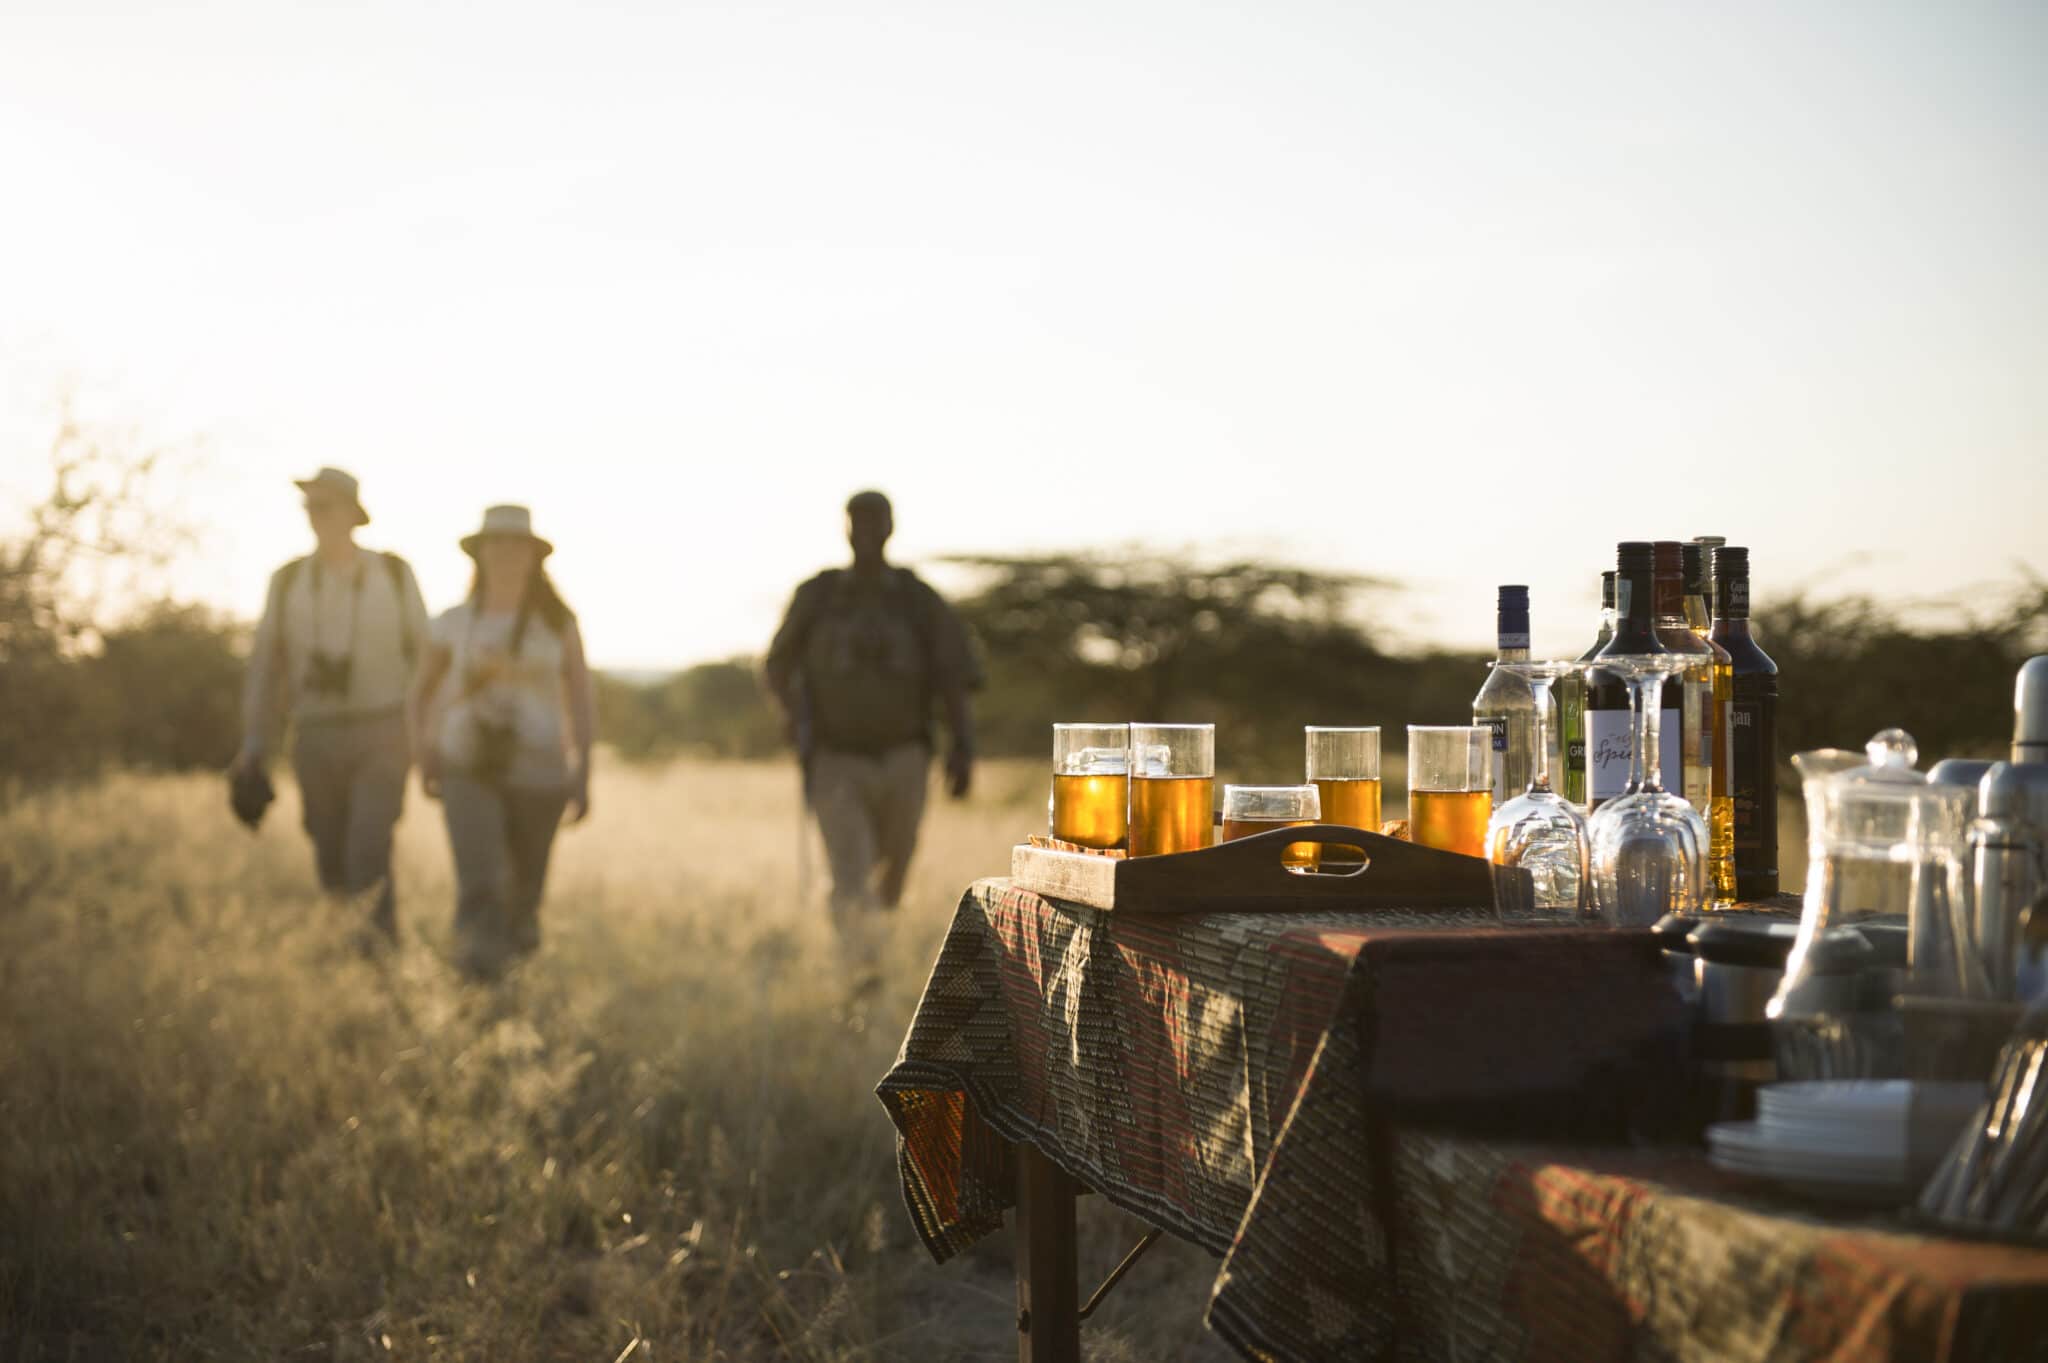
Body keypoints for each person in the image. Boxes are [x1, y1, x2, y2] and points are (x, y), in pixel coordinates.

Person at [765, 490, 982, 935]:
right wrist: (792, 715)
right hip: (835, 758)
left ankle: (881, 952)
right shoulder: (819, 595)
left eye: (874, 521)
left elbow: (954, 674)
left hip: (905, 757)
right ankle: (859, 966)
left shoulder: (917, 599)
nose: (865, 532)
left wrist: (963, 747)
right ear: (845, 529)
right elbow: (777, 664)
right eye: (857, 522)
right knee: (850, 875)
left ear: (890, 528)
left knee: (892, 876)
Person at [233, 468, 429, 940]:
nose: (314, 514)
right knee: (329, 851)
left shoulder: (393, 573)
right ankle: (346, 949)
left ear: (351, 514)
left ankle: (378, 950)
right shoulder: (288, 581)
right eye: (309, 506)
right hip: (314, 732)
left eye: (324, 505)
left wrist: (426, 734)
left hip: (383, 730)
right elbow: (265, 667)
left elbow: (427, 657)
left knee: (369, 845)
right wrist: (254, 745)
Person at [407, 505, 594, 978]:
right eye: (497, 543)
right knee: (481, 881)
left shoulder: (558, 624)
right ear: (480, 553)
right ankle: (475, 982)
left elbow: (580, 697)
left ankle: (517, 983)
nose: (506, 553)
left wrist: (584, 769)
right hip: (466, 763)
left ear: (533, 557)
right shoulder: (452, 622)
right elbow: (420, 692)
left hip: (541, 770)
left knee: (525, 890)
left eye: (517, 544)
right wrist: (423, 749)